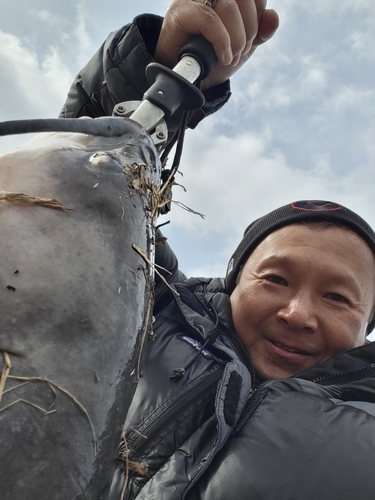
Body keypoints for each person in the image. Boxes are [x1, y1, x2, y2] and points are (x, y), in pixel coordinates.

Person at [60, 1, 375, 498]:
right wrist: (160, 70)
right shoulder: (153, 309)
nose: (297, 314)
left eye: (337, 297)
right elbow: (77, 196)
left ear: (367, 326)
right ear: (232, 283)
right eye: (274, 279)